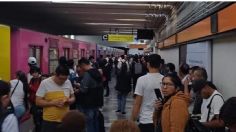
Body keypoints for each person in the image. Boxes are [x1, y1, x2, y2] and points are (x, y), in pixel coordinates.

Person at [36, 65, 75, 132]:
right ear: (55, 74)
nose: (63, 81)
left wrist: (69, 100)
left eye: (65, 79)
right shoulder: (45, 83)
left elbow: (73, 97)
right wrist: (53, 103)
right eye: (61, 79)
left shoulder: (68, 82)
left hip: (65, 120)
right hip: (49, 122)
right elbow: (38, 102)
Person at [131, 54, 163, 132]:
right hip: (161, 120)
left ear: (148, 64)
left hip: (145, 120)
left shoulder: (142, 80)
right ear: (160, 65)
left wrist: (132, 121)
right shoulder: (165, 80)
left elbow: (137, 103)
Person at [77, 58, 104, 132]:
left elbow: (84, 89)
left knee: (89, 123)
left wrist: (78, 88)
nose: (80, 69)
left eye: (80, 66)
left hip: (89, 103)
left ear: (83, 65)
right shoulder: (97, 71)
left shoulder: (87, 74)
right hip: (97, 102)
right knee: (95, 122)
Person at [29, 67, 43, 132]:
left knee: (39, 119)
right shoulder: (32, 80)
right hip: (33, 102)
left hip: (39, 102)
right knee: (35, 118)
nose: (34, 74)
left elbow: (38, 90)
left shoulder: (41, 80)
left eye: (35, 72)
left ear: (38, 72)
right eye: (32, 73)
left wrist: (31, 87)